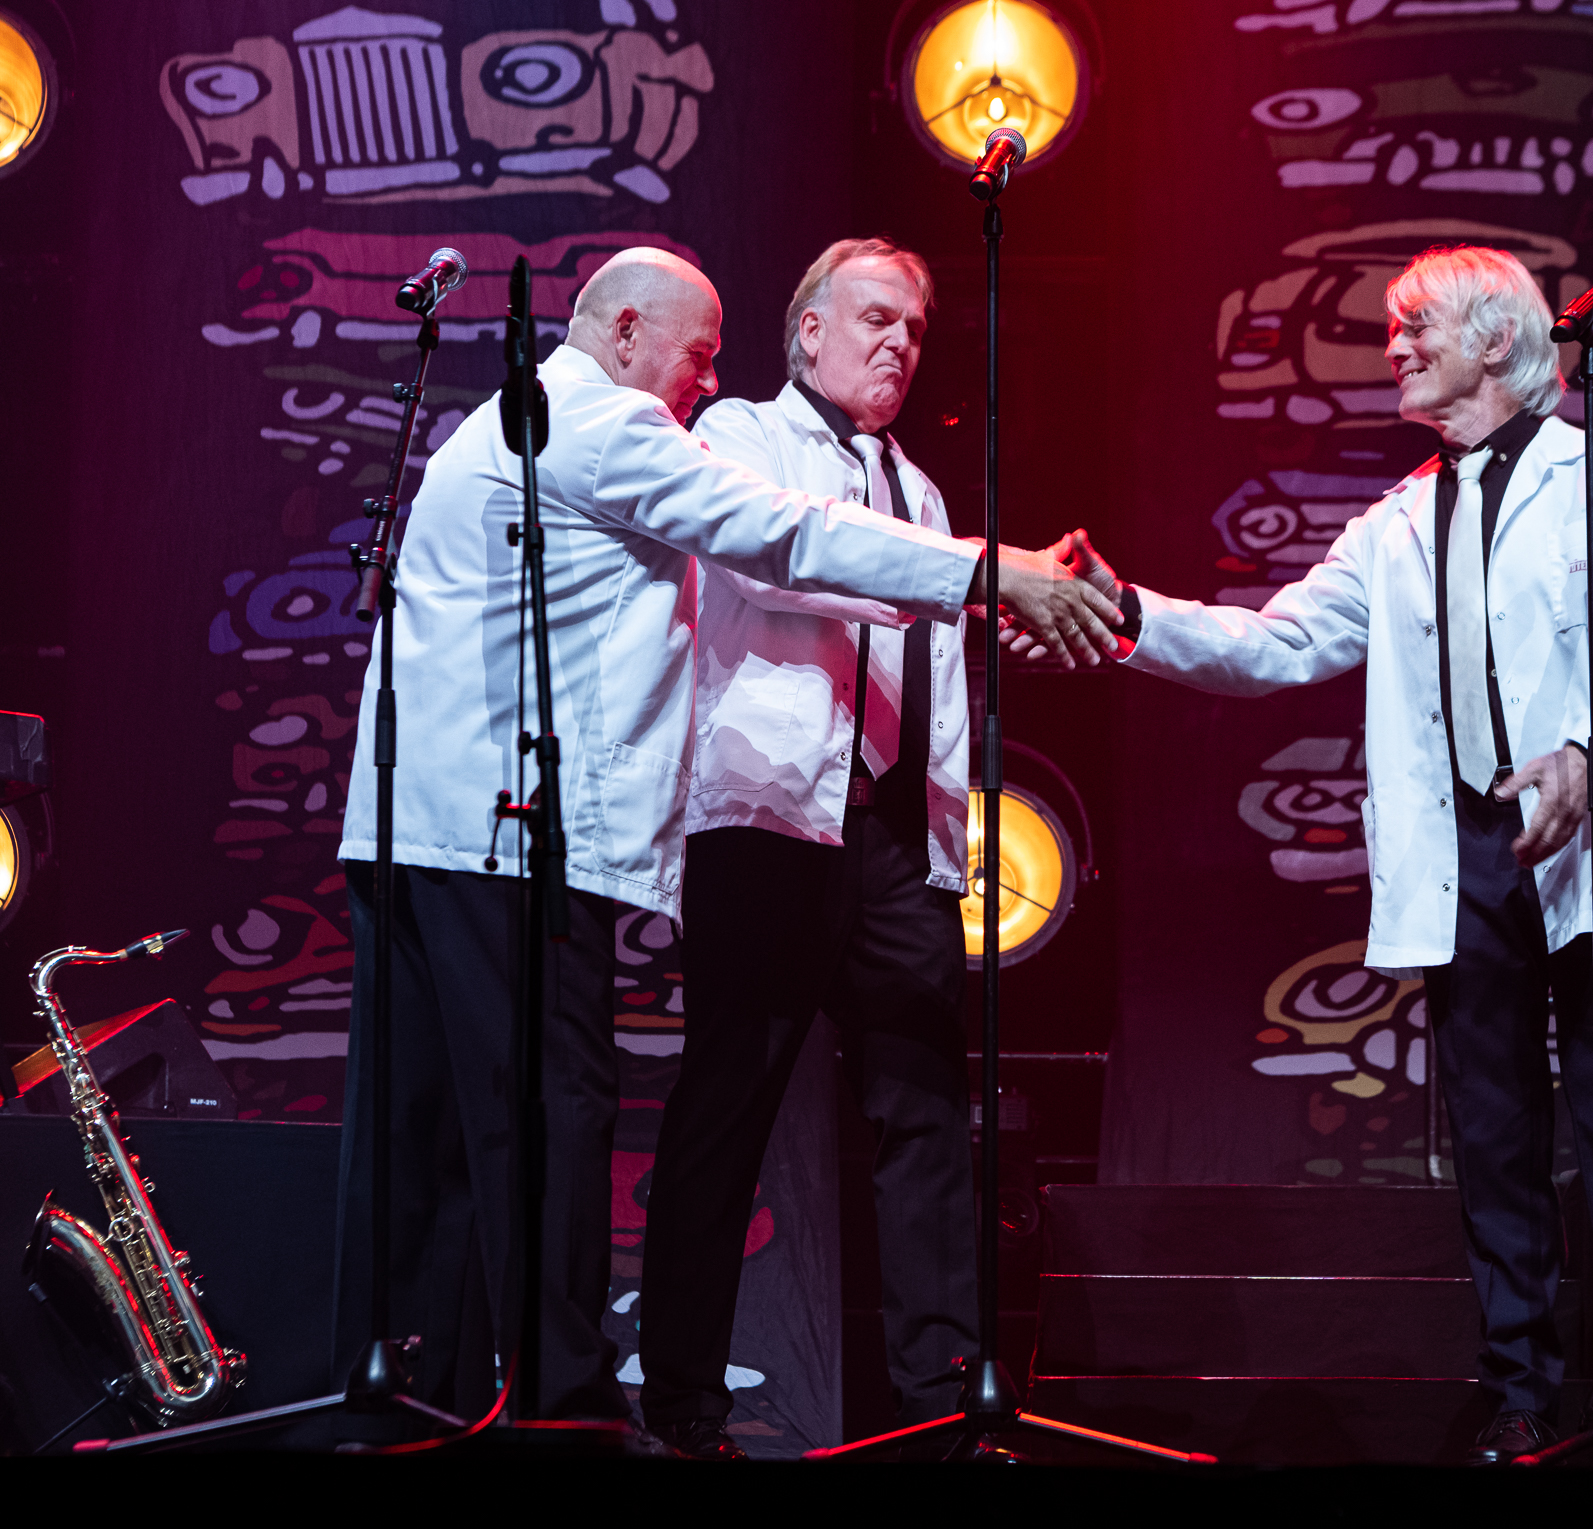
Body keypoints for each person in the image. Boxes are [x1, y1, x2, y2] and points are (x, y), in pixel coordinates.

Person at [331, 247, 1122, 1428]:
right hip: (514, 836)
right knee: (552, 1110)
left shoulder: (499, 425)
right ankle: (563, 1403)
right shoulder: (607, 425)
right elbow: (785, 536)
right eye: (697, 355)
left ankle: (411, 1396)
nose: (705, 381)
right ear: (626, 331)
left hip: (425, 830)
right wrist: (993, 571)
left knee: (431, 1131)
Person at [1055, 244, 1593, 1462]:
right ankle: (1519, 1384)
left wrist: (1588, 755)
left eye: (1416, 325)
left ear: (1496, 340)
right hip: (1468, 850)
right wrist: (1128, 612)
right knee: (1494, 1137)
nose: (1394, 346)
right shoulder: (1397, 519)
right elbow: (1275, 643)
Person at [637, 238, 977, 1457]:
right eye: (875, 318)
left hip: (892, 830)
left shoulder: (921, 489)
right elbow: (769, 560)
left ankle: (940, 1397)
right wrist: (947, 581)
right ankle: (681, 1396)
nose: (897, 343)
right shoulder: (740, 435)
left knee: (924, 1105)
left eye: (913, 328)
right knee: (729, 1098)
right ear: (810, 331)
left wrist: (948, 826)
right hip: (773, 816)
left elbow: (937, 669)